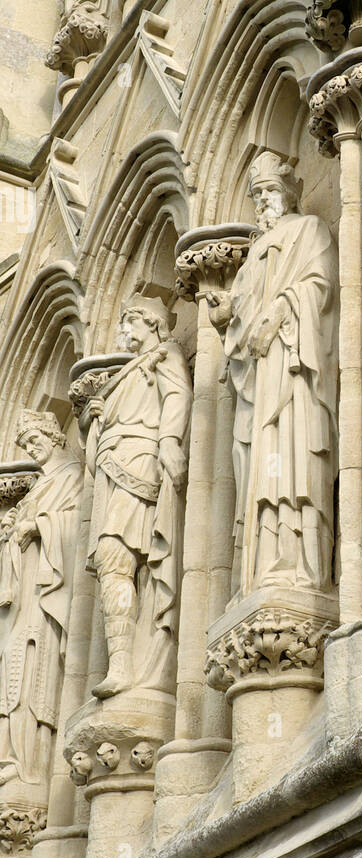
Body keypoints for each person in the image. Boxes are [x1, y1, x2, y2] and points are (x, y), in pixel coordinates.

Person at [207, 153, 338, 594]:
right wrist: (230, 311)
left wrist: (280, 311)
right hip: (259, 374)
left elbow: (320, 284)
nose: (263, 200)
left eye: (270, 191)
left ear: (289, 194)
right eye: (257, 194)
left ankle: (300, 565)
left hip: (292, 361)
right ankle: (264, 566)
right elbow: (244, 307)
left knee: (294, 456)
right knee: (260, 465)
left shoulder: (308, 230)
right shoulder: (251, 258)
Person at [83, 296, 192, 699]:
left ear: (152, 324)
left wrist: (168, 442)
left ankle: (126, 665)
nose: (124, 331)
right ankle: (123, 664)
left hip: (138, 461)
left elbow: (178, 396)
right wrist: (95, 421)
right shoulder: (124, 375)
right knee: (114, 565)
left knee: (117, 558)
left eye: (131, 323)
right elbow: (92, 461)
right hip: (113, 469)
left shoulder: (164, 355)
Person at [0, 412, 82, 787]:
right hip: (24, 594)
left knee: (34, 667)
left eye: (37, 440)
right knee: (12, 670)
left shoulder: (72, 477)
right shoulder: (36, 488)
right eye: (27, 445)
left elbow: (78, 524)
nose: (33, 449)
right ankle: (12, 758)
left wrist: (39, 526)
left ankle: (32, 766)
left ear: (56, 436)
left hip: (47, 592)